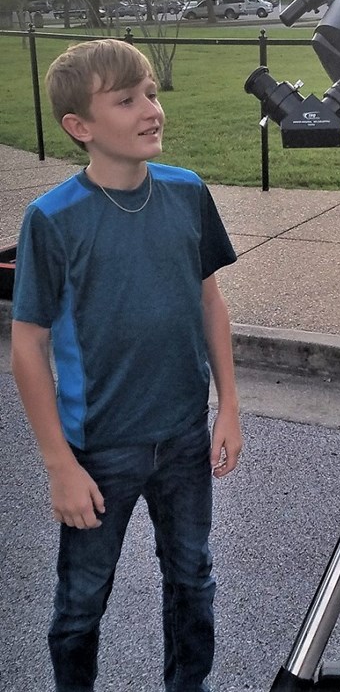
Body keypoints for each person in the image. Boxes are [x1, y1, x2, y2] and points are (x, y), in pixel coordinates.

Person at [11, 37, 242, 692]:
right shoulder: (52, 220)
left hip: (185, 437)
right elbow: (27, 343)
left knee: (193, 579)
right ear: (80, 128)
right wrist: (60, 466)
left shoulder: (187, 192)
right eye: (126, 100)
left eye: (151, 93)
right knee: (82, 601)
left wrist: (228, 405)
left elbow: (209, 301)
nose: (150, 109)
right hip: (99, 451)